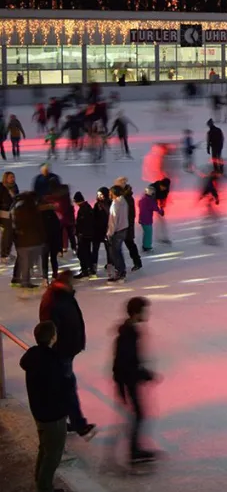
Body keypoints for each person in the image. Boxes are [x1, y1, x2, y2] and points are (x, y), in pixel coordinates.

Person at [39, 269, 96, 440]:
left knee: (65, 387)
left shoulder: (64, 296)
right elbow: (50, 327)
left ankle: (65, 422)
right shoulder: (55, 300)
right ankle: (79, 425)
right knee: (67, 388)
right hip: (61, 352)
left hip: (67, 350)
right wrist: (55, 348)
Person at [20, 321, 70, 492]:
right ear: (53, 337)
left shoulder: (33, 357)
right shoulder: (53, 361)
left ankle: (40, 481)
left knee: (45, 447)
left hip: (39, 411)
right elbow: (59, 388)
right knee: (53, 455)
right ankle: (44, 487)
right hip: (53, 415)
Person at [112, 296, 158, 466]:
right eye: (145, 311)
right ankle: (134, 451)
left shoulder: (130, 331)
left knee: (139, 414)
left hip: (128, 379)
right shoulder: (128, 335)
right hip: (128, 381)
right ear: (136, 313)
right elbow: (125, 363)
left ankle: (135, 449)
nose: (148, 314)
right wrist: (144, 375)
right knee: (139, 414)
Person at [12, 191, 44, 288]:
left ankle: (21, 279)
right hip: (33, 240)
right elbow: (40, 226)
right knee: (29, 262)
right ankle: (25, 281)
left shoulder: (18, 209)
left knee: (23, 261)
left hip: (21, 241)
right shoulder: (35, 210)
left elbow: (15, 225)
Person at [105, 185, 129, 283]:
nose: (109, 194)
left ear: (113, 193)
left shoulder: (115, 205)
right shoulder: (124, 202)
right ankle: (121, 271)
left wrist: (109, 234)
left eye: (110, 192)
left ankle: (120, 272)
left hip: (117, 231)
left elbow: (113, 222)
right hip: (124, 229)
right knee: (118, 251)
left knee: (115, 253)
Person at [137, 186, 162, 254]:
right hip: (147, 219)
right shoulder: (149, 200)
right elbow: (155, 207)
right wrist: (160, 211)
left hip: (142, 219)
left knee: (146, 233)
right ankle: (147, 246)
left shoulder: (142, 199)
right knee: (148, 233)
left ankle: (145, 245)